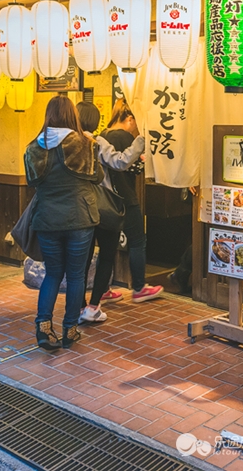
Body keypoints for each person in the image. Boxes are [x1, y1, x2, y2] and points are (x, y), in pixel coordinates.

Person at [24, 96, 103, 350]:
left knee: (53, 273)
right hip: (80, 217)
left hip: (47, 220)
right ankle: (70, 330)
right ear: (72, 116)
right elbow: (98, 176)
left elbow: (31, 182)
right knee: (76, 275)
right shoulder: (84, 144)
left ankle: (44, 328)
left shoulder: (33, 148)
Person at [88, 99, 163, 313]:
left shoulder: (101, 135)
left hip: (104, 201)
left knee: (107, 247)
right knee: (137, 241)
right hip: (124, 199)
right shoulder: (122, 137)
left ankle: (103, 289)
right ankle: (139, 287)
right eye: (136, 123)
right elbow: (127, 167)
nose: (136, 129)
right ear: (130, 119)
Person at [75, 101, 146, 322]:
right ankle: (93, 307)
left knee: (81, 260)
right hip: (103, 207)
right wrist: (140, 141)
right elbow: (120, 162)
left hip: (77, 208)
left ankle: (79, 307)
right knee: (106, 255)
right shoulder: (95, 141)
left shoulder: (65, 142)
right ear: (94, 121)